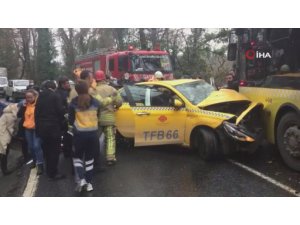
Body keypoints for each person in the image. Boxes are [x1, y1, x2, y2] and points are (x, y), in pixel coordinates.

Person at [69, 80, 100, 192]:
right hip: (93, 135)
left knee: (77, 157)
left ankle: (81, 179)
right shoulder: (95, 102)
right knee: (89, 159)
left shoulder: (73, 102)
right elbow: (98, 115)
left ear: (76, 90)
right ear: (87, 89)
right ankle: (89, 183)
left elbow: (71, 120)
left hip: (79, 135)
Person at [35, 80, 65, 180]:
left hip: (42, 128)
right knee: (54, 151)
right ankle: (53, 173)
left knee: (47, 151)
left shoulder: (40, 96)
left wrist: (38, 129)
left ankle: (49, 171)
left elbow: (37, 113)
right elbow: (60, 111)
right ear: (53, 87)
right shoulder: (55, 96)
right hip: (53, 127)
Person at [94, 70, 123, 166]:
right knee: (110, 137)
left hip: (96, 118)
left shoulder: (93, 90)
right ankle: (110, 158)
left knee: (96, 139)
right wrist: (116, 107)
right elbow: (119, 102)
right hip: (109, 117)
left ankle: (95, 157)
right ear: (104, 78)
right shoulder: (112, 89)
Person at [19, 90, 44, 175]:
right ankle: (34, 160)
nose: (29, 99)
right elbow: (19, 115)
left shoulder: (39, 105)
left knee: (36, 146)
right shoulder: (25, 105)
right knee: (30, 147)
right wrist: (23, 107)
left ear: (35, 96)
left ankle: (40, 164)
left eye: (30, 97)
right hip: (28, 129)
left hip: (37, 128)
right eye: (27, 97)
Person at [56, 76, 72, 158]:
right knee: (68, 135)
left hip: (61, 117)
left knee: (65, 134)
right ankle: (67, 151)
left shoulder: (58, 92)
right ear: (62, 84)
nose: (69, 84)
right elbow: (64, 105)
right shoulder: (63, 93)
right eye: (67, 83)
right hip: (65, 117)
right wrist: (66, 114)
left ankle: (65, 150)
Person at [0, 104, 19, 175]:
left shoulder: (5, 115)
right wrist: (15, 135)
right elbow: (10, 128)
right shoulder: (10, 116)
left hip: (2, 134)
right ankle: (5, 170)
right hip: (4, 136)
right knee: (4, 153)